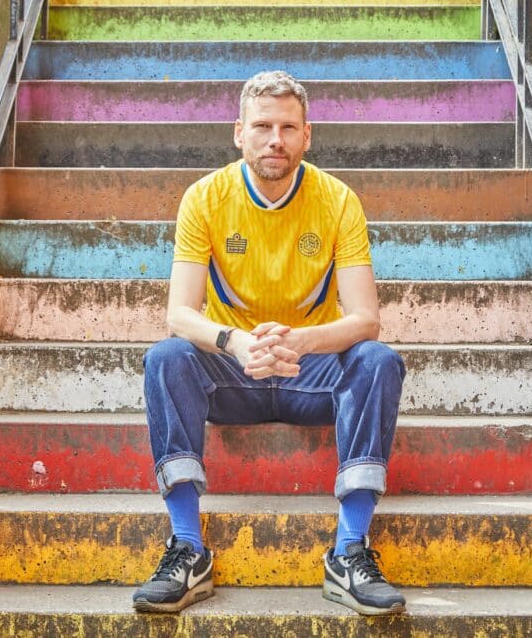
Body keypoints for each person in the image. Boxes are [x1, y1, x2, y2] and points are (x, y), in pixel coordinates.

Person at [133, 71, 406, 616]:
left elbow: (366, 319)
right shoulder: (205, 198)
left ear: (309, 135)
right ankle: (188, 546)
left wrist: (302, 342)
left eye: (287, 127)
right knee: (166, 358)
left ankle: (349, 550)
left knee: (379, 362)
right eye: (262, 126)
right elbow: (178, 314)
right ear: (239, 132)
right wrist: (234, 343)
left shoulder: (338, 200)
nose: (274, 139)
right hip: (235, 375)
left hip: (312, 375)